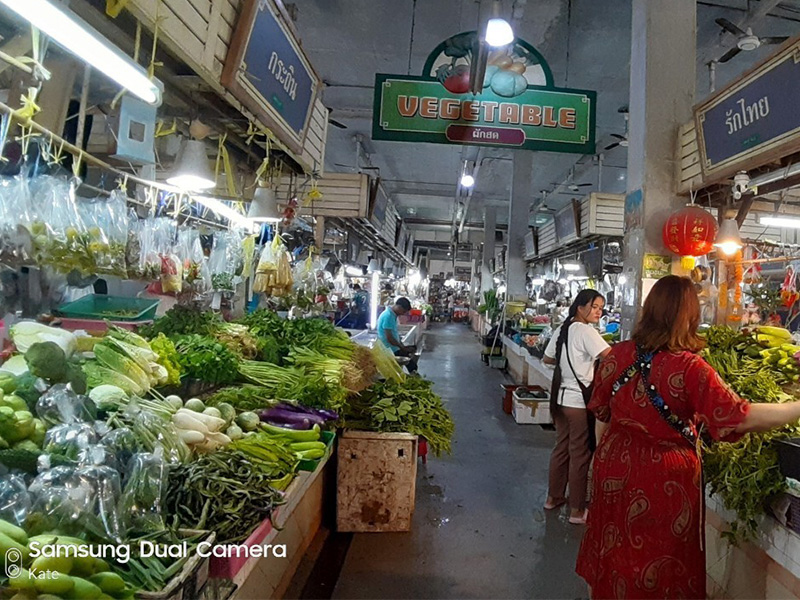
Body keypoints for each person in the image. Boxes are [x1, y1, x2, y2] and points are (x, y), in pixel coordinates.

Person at [576, 276, 800, 599]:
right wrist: (795, 409)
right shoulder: (691, 369)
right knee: (660, 562)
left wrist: (601, 463)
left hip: (613, 466)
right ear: (689, 317)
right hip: (665, 479)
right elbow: (739, 415)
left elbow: (601, 415)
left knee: (610, 548)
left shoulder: (617, 355)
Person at [542, 290, 610, 524]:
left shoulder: (563, 328)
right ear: (580, 307)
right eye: (594, 307)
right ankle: (577, 511)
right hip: (578, 403)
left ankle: (553, 498)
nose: (598, 312)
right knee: (579, 454)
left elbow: (547, 359)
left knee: (561, 448)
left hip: (560, 400)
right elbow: (610, 356)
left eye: (601, 308)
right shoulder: (585, 331)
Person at [377, 296, 418, 373]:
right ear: (399, 307)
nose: (403, 314)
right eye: (404, 311)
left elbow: (394, 333)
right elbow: (390, 338)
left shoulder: (393, 315)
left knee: (411, 363)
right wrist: (402, 348)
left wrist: (402, 346)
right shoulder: (388, 316)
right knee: (411, 366)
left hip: (394, 347)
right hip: (389, 349)